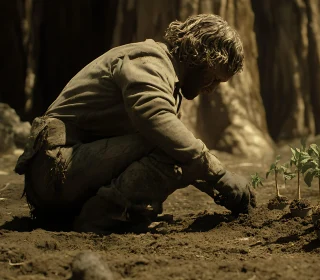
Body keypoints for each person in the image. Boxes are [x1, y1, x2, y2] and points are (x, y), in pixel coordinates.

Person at [14, 14, 256, 234]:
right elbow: (156, 120)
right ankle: (102, 219)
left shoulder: (164, 75)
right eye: (214, 78)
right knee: (166, 146)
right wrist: (221, 175)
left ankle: (103, 214)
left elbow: (179, 147)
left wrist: (223, 189)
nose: (212, 89)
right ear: (200, 55)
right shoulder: (149, 60)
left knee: (174, 148)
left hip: (63, 176)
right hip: (55, 171)